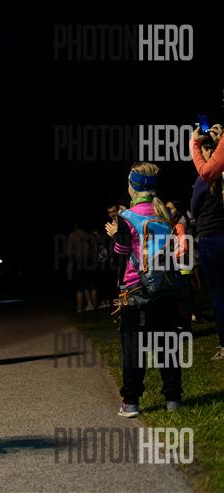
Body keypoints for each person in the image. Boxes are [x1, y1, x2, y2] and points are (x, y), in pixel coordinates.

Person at [105, 162, 184, 417]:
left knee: (133, 348)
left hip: (136, 290)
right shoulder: (164, 212)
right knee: (167, 345)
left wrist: (115, 235)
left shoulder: (127, 217)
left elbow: (122, 253)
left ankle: (131, 403)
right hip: (166, 287)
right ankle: (173, 399)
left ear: (135, 185)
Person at [190, 123, 224, 360]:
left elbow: (193, 209)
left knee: (219, 293)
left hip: (211, 237)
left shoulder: (204, 180)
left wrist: (195, 143)